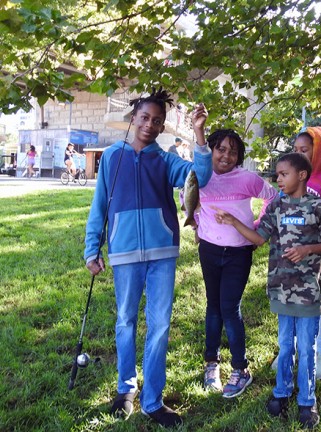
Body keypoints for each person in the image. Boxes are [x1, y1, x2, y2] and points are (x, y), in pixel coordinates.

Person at [83, 89, 212, 428]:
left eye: (157, 120)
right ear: (133, 117)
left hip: (162, 254)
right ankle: (125, 388)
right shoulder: (111, 157)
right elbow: (99, 207)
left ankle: (152, 400)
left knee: (160, 326)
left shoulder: (167, 160)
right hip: (124, 253)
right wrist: (91, 249)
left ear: (162, 125)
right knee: (125, 322)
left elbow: (202, 177)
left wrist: (199, 133)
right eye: (144, 118)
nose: (150, 125)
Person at [213, 152, 321, 429]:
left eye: (283, 174)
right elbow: (259, 238)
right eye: (277, 174)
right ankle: (282, 392)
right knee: (285, 347)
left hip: (309, 291)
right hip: (283, 290)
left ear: (302, 175)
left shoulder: (317, 206)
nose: (278, 179)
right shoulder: (276, 207)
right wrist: (235, 223)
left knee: (307, 348)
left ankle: (307, 401)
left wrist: (308, 249)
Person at [195, 129, 278, 398]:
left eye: (232, 151)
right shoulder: (202, 177)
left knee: (230, 308)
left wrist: (256, 228)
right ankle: (211, 363)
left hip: (238, 253)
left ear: (239, 155)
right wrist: (197, 224)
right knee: (213, 307)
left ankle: (240, 368)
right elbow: (191, 202)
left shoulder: (248, 179)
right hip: (208, 250)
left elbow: (274, 199)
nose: (226, 155)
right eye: (220, 149)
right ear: (211, 151)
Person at [271, 126, 321, 380]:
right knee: (290, 302)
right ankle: (288, 353)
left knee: (320, 305)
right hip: (291, 260)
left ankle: (320, 353)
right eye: (296, 149)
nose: (299, 153)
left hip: (318, 258)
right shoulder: (289, 179)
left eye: (305, 149)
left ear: (319, 151)